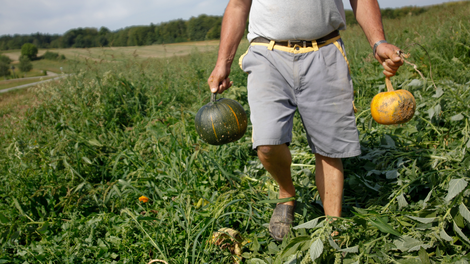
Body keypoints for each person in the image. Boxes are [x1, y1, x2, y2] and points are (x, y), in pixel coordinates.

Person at [207, 0, 403, 242]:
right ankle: (287, 192)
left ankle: (333, 230)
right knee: (267, 144)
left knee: (330, 150)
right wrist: (222, 63)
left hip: (325, 51)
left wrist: (378, 42)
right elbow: (238, 6)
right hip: (266, 53)